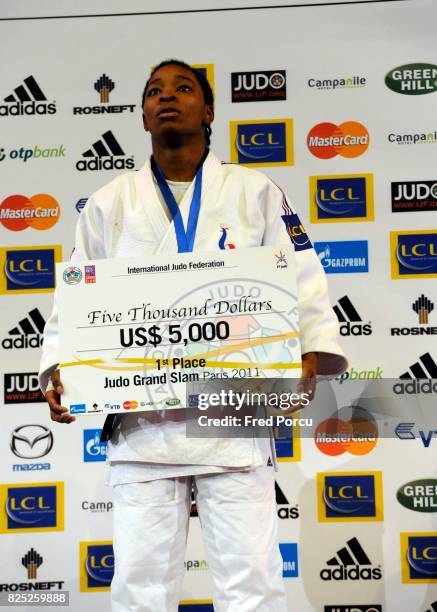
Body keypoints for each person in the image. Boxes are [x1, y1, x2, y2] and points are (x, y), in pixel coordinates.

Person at [40, 59, 347, 612]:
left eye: (183, 88)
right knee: (139, 588)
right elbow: (76, 297)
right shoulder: (110, 202)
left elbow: (301, 275)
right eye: (154, 90)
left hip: (232, 418)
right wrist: (60, 364)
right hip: (140, 428)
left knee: (251, 583)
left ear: (208, 112)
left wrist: (307, 352)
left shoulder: (254, 191)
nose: (167, 97)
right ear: (140, 116)